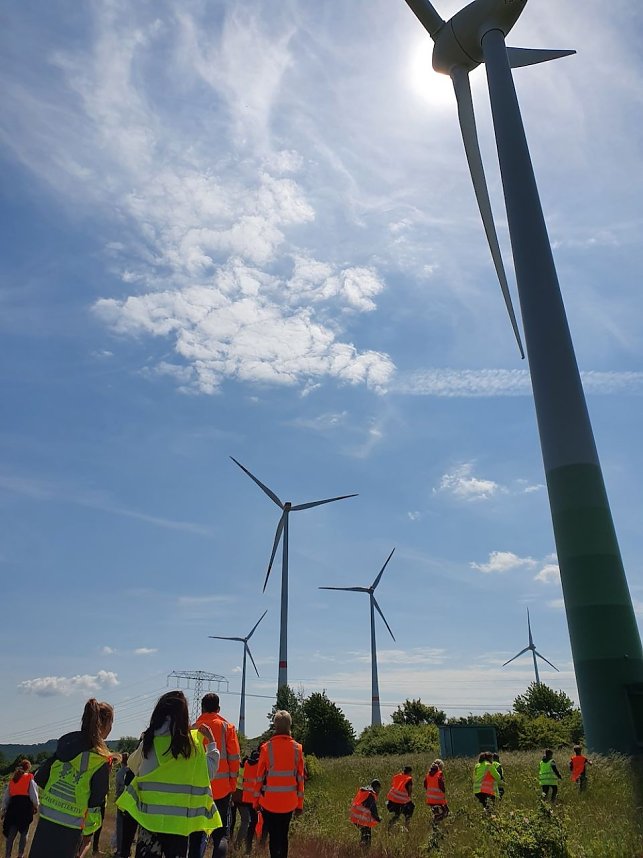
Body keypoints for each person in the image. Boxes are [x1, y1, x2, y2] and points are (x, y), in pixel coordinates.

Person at [117, 690, 222, 858]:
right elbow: (209, 773)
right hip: (178, 828)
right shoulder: (192, 745)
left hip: (149, 823)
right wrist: (211, 744)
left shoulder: (149, 742)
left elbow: (132, 767)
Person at [29, 698, 114, 858]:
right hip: (72, 828)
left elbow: (40, 777)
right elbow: (96, 802)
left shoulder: (64, 747)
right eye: (111, 723)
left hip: (47, 820)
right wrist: (89, 835)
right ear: (104, 725)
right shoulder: (99, 760)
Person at [189, 692, 241, 858]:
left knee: (196, 835)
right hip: (222, 790)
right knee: (220, 836)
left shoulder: (192, 729)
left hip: (197, 789)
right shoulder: (227, 728)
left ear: (202, 708)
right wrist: (232, 785)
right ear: (218, 708)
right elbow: (234, 759)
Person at [254, 710, 305, 858]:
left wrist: (255, 801)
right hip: (289, 802)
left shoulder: (266, 748)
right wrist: (299, 804)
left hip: (269, 802)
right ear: (290, 725)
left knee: (273, 837)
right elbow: (300, 779)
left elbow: (259, 778)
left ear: (275, 725)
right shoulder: (298, 749)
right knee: (283, 835)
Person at [1, 759, 39, 858]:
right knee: (24, 831)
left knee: (11, 834)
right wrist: (35, 806)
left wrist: (4, 810)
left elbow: (6, 796)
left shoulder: (13, 779)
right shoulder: (29, 778)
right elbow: (33, 795)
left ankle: (7, 855)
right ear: (28, 768)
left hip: (13, 807)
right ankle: (20, 855)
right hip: (25, 807)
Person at [235, 748, 261, 854]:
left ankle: (240, 844)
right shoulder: (258, 766)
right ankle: (243, 845)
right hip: (250, 799)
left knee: (242, 822)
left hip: (238, 797)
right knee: (249, 822)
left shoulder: (244, 764)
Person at [349, 779, 380, 850]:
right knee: (367, 836)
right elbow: (373, 809)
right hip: (360, 818)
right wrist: (377, 818)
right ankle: (364, 851)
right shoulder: (371, 794)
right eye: (379, 789)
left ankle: (361, 849)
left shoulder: (365, 792)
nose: (379, 791)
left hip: (354, 816)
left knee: (364, 834)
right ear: (377, 787)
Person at [424, 759, 449, 824]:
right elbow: (442, 786)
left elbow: (425, 786)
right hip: (439, 799)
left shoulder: (427, 775)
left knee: (437, 814)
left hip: (430, 799)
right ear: (440, 766)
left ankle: (435, 827)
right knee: (446, 812)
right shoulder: (439, 774)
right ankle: (434, 823)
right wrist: (443, 792)